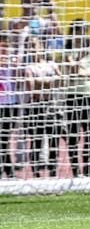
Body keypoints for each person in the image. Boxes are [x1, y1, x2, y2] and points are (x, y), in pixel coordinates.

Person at [64, 20, 90, 178]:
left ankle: (87, 170)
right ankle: (76, 171)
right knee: (74, 134)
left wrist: (86, 74)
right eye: (77, 30)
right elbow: (73, 70)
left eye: (83, 30)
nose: (80, 34)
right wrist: (79, 56)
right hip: (73, 96)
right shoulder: (68, 51)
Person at [24, 35, 61, 178]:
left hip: (51, 105)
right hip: (36, 107)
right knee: (36, 140)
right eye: (30, 46)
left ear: (41, 47)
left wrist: (42, 82)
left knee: (53, 138)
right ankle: (36, 173)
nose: (32, 49)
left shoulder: (51, 64)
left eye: (34, 45)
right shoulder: (29, 67)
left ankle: (53, 171)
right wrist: (49, 82)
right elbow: (32, 87)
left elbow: (61, 81)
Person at [0, 33, 19, 179]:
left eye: (6, 46)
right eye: (2, 46)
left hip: (10, 104)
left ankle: (7, 170)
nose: (5, 49)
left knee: (5, 139)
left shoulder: (12, 62)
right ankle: (8, 171)